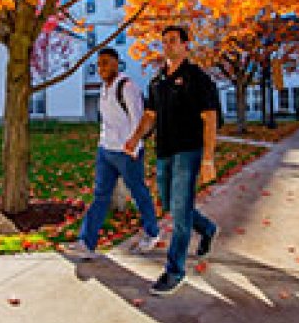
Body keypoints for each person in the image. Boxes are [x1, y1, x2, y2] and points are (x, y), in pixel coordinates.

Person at [124, 26, 219, 296]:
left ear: (186, 45)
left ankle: (174, 270)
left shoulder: (197, 78)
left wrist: (208, 158)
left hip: (188, 151)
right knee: (169, 204)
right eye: (164, 41)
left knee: (179, 211)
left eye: (173, 41)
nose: (167, 45)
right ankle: (207, 228)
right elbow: (150, 116)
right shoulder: (157, 81)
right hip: (164, 151)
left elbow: (209, 118)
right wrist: (134, 139)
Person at [64, 48, 161, 260]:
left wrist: (135, 147)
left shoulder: (127, 87)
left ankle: (152, 232)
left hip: (126, 152)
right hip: (106, 151)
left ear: (117, 63)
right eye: (99, 64)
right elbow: (107, 121)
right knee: (100, 196)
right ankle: (86, 243)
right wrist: (101, 145)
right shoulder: (104, 88)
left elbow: (138, 118)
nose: (102, 68)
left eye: (106, 63)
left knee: (138, 192)